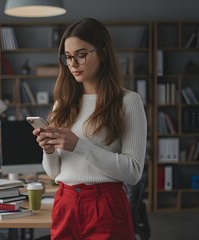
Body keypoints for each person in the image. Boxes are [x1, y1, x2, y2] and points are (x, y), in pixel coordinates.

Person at [32, 18, 147, 239]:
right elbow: (54, 172)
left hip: (105, 206)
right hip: (65, 203)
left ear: (103, 54)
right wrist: (48, 151)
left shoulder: (128, 101)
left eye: (81, 54)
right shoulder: (63, 103)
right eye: (67, 57)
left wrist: (79, 145)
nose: (73, 63)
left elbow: (133, 172)